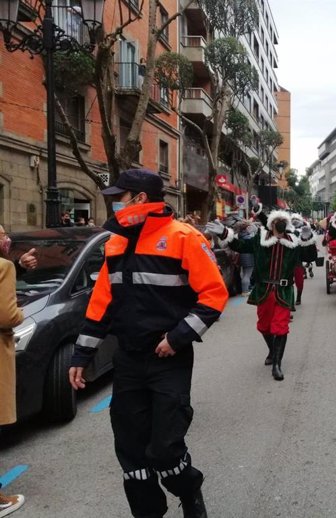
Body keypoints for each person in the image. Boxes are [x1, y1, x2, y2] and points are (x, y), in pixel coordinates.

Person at [69, 169, 229, 518]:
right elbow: (102, 303)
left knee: (165, 451)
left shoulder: (183, 236)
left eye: (119, 196)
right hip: (128, 360)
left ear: (140, 199)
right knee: (131, 452)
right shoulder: (116, 242)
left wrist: (176, 337)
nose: (114, 202)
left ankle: (190, 491)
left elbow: (214, 295)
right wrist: (82, 353)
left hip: (167, 360)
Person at [207, 210, 300, 381]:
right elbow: (240, 246)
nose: (279, 223)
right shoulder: (260, 240)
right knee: (264, 326)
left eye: (282, 221)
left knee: (280, 327)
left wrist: (308, 238)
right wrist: (224, 233)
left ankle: (277, 365)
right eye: (276, 220)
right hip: (264, 290)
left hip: (284, 292)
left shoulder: (293, 242)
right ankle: (272, 351)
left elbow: (308, 256)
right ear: (271, 224)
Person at [0, 225, 26, 517]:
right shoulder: (3, 267)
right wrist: (19, 314)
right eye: (2, 236)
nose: (7, 240)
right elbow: (7, 315)